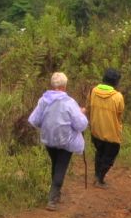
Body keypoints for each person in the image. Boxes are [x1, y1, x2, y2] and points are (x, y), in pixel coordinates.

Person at [28, 71, 88, 209]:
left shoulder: (43, 100)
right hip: (66, 141)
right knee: (60, 166)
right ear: (64, 86)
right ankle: (52, 199)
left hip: (49, 140)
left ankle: (55, 193)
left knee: (56, 164)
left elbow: (35, 120)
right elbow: (81, 124)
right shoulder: (69, 102)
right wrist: (81, 113)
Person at [88, 68, 125, 188]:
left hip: (96, 130)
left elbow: (88, 107)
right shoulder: (118, 97)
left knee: (99, 153)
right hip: (112, 133)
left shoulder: (93, 91)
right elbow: (120, 114)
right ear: (116, 82)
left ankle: (97, 176)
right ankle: (100, 179)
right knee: (109, 157)